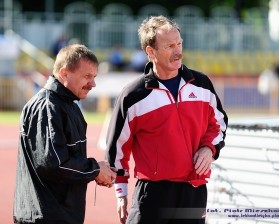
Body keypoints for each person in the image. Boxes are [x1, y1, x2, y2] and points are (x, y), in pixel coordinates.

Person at [106, 16, 228, 224]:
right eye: (170, 46)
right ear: (150, 52)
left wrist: (209, 148)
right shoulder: (133, 96)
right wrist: (121, 192)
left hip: (194, 192)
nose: (178, 51)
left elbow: (219, 123)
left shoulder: (202, 84)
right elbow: (117, 147)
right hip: (152, 194)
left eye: (179, 43)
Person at [13, 44, 116, 224]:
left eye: (94, 77)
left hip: (61, 214)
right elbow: (54, 164)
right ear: (64, 73)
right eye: (87, 76)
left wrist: (95, 171)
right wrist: (95, 169)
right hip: (46, 217)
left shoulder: (68, 105)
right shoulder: (48, 107)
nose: (93, 84)